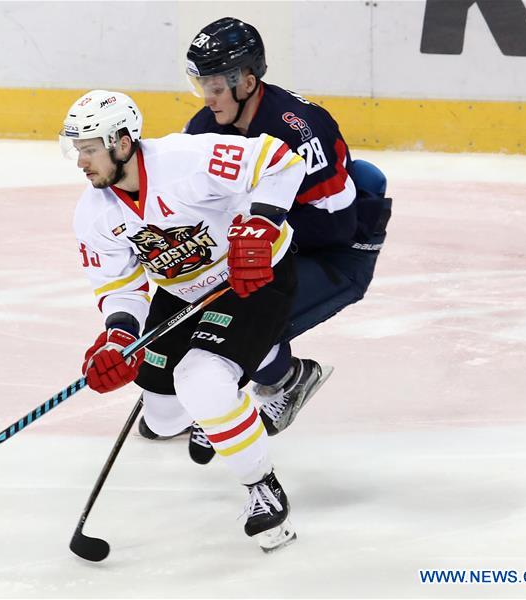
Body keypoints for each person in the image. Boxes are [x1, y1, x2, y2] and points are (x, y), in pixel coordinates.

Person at [61, 89, 306, 550]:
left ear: (122, 143)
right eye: (77, 150)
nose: (81, 162)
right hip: (181, 292)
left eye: (90, 149)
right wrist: (119, 337)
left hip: (251, 277)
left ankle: (262, 488)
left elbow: (279, 160)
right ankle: (229, 393)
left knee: (202, 381)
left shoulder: (188, 158)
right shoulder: (93, 213)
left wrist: (262, 222)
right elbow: (121, 286)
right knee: (164, 414)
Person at [139, 17, 392, 462]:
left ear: (248, 81)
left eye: (216, 87)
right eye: (202, 85)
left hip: (339, 253)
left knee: (239, 317)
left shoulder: (297, 130)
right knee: (205, 302)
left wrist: (261, 237)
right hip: (277, 248)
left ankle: (289, 379)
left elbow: (337, 225)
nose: (207, 98)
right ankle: (217, 392)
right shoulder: (205, 128)